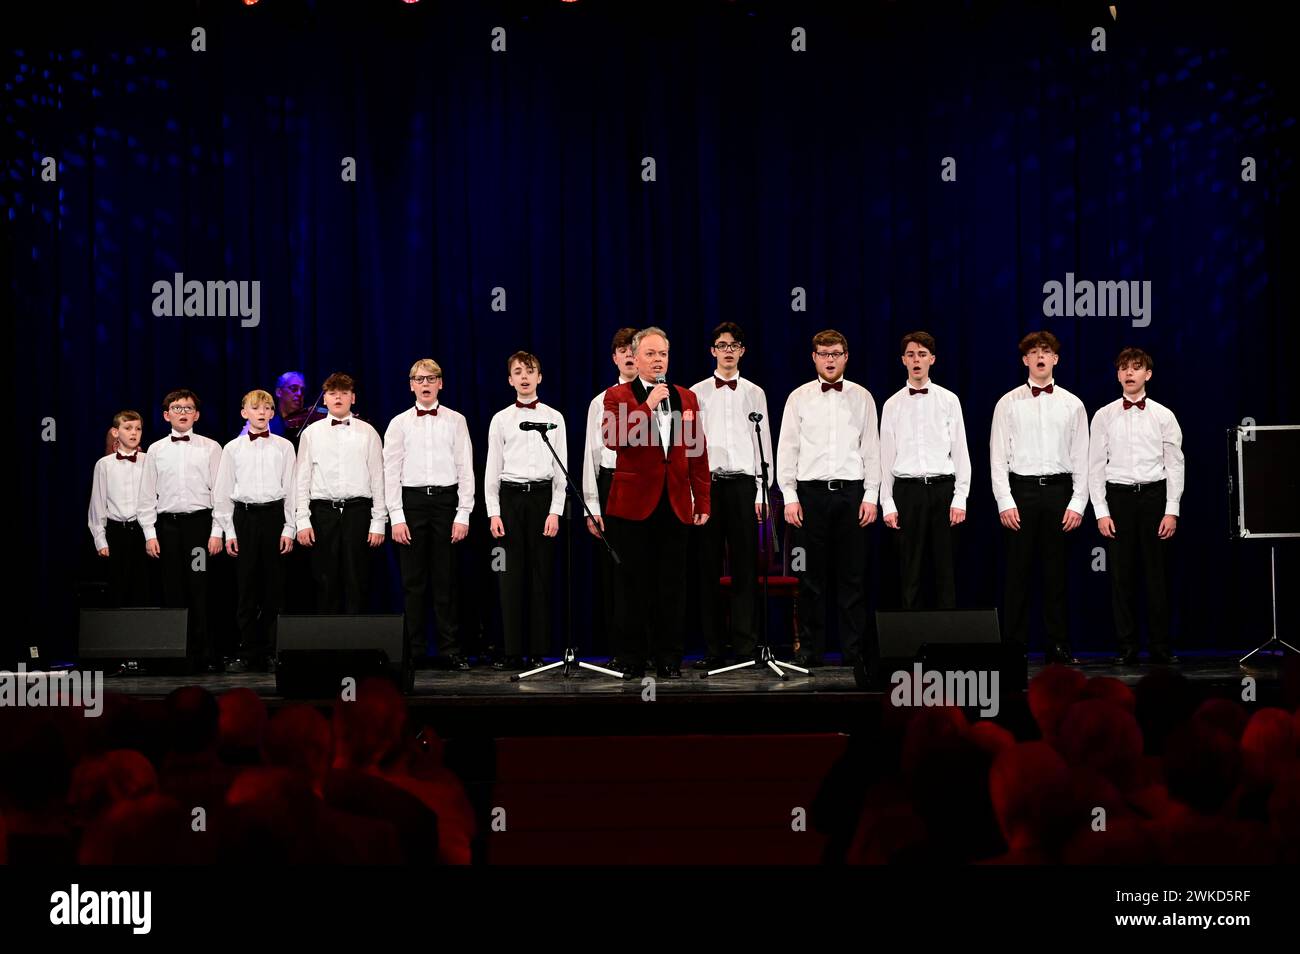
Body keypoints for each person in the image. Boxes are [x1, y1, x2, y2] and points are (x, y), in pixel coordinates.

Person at [602, 326, 711, 678]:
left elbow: (696, 451)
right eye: (650, 354)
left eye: (662, 354)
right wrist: (646, 406)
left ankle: (669, 658)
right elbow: (614, 440)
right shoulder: (617, 396)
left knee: (671, 587)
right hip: (633, 504)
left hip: (675, 502)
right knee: (633, 585)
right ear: (634, 357)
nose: (657, 360)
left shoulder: (685, 397)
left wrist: (703, 499)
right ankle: (631, 657)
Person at [777, 330, 880, 668]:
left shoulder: (863, 397)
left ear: (846, 356)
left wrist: (871, 495)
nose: (830, 359)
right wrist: (789, 495)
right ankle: (810, 649)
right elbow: (787, 448)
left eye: (835, 353)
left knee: (853, 578)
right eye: (823, 353)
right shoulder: (798, 398)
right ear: (814, 357)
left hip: (851, 495)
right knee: (808, 576)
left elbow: (871, 449)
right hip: (809, 498)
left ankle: (854, 650)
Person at [989, 331, 1089, 665]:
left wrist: (1077, 502)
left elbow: (1082, 457)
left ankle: (1058, 645)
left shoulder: (1072, 404)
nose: (1040, 356)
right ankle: (1013, 647)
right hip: (1022, 492)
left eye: (1046, 351)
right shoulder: (1008, 402)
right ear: (1025, 360)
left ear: (1056, 359)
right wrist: (1005, 500)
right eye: (1034, 352)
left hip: (1059, 492)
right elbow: (997, 456)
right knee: (1016, 574)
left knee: (1056, 574)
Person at [1088, 347, 1184, 665]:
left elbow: (1175, 464)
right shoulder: (1103, 416)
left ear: (1148, 374)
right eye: (1124, 368)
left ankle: (1160, 646)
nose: (1129, 373)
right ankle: (1126, 647)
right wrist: (1101, 511)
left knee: (1157, 576)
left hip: (1154, 497)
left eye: (1136, 368)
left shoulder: (1163, 415)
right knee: (1121, 577)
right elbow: (1095, 466)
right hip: (1119, 498)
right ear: (1117, 374)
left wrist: (1172, 508)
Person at [689, 322, 771, 669]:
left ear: (742, 351)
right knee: (707, 568)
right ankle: (712, 648)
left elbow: (762, 441)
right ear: (712, 350)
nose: (727, 351)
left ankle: (745, 644)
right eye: (721, 345)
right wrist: (694, 494)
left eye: (733, 345)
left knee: (744, 568)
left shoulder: (755, 393)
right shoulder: (696, 392)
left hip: (743, 486)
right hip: (707, 486)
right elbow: (690, 447)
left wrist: (762, 492)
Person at [384, 359, 474, 670]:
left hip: (446, 503)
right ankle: (415, 650)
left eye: (431, 378)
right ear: (411, 385)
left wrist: (463, 513)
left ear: (440, 384)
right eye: (419, 379)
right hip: (412, 503)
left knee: (446, 579)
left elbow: (465, 468)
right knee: (413, 582)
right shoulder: (399, 423)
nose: (425, 384)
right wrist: (396, 516)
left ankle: (450, 649)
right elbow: (390, 471)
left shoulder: (456, 420)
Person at [485, 351, 567, 669]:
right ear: (510, 379)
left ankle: (537, 651)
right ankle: (511, 650)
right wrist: (494, 511)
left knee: (540, 576)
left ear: (539, 377)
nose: (524, 376)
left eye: (530, 371)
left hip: (542, 499)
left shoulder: (554, 417)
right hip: (510, 500)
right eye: (518, 372)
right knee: (508, 575)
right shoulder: (501, 419)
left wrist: (555, 511)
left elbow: (561, 469)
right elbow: (493, 469)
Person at [879, 331, 970, 609]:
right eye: (910, 354)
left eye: (921, 354)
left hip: (943, 489)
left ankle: (948, 642)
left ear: (932, 359)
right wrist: (887, 503)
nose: (916, 360)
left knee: (946, 569)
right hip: (907, 492)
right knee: (910, 570)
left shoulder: (949, 400)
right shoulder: (892, 404)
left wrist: (960, 497)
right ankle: (911, 645)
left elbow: (960, 451)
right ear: (903, 360)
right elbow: (885, 458)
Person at [137, 390, 224, 671]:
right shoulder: (155, 450)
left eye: (188, 408)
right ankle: (175, 655)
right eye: (177, 408)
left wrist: (217, 531)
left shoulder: (211, 448)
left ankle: (204, 655)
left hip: (200, 525)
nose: (183, 412)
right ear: (166, 415)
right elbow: (147, 495)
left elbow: (220, 494)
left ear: (197, 414)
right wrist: (150, 533)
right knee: (172, 589)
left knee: (201, 588)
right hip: (169, 527)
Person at [214, 390, 297, 672]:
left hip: (274, 516)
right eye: (255, 408)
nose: (262, 412)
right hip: (244, 518)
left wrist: (289, 527)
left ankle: (273, 650)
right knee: (246, 587)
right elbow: (224, 491)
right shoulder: (232, 449)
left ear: (273, 413)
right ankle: (248, 650)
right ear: (244, 413)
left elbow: (292, 489)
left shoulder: (285, 447)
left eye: (267, 408)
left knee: (275, 587)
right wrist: (229, 531)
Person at [294, 373, 386, 614]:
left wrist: (378, 521)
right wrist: (302, 520)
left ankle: (357, 643)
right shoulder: (311, 433)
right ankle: (328, 643)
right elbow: (301, 479)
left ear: (352, 398)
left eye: (344, 393)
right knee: (325, 580)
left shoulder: (368, 432)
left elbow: (378, 478)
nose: (338, 397)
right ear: (324, 399)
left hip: (359, 511)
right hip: (323, 513)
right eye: (333, 393)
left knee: (358, 579)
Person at [583, 328, 639, 666]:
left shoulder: (661, 397)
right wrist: (592, 507)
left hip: (646, 485)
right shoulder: (599, 401)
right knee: (615, 570)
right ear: (615, 357)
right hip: (612, 484)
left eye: (635, 348)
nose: (629, 355)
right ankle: (620, 652)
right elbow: (591, 454)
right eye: (623, 349)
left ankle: (649, 648)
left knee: (646, 568)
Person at [88, 410, 152, 607]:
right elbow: (97, 504)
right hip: (116, 532)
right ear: (116, 432)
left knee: (143, 587)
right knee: (117, 587)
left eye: (138, 429)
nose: (134, 433)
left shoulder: (149, 461)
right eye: (128, 428)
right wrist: (100, 539)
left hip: (143, 531)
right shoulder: (104, 465)